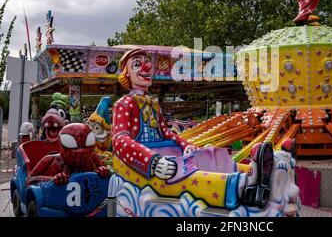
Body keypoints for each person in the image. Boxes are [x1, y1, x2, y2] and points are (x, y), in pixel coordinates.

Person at [112, 48, 274, 209]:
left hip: (165, 153)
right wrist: (152, 162)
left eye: (146, 62)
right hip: (140, 163)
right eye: (137, 64)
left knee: (205, 155)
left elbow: (166, 134)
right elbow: (119, 140)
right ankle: (241, 186)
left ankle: (252, 172)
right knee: (184, 172)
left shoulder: (153, 104)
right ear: (126, 74)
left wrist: (185, 145)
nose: (145, 67)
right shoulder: (123, 104)